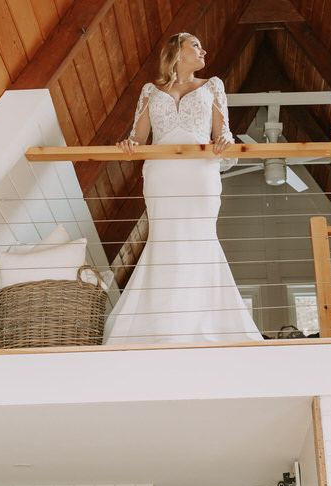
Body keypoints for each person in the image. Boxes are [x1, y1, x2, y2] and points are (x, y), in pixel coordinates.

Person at [102, 32, 263, 345]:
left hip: (198, 173)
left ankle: (205, 323)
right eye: (196, 45)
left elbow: (224, 133)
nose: (204, 50)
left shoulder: (212, 85)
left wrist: (226, 141)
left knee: (199, 237)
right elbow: (138, 137)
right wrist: (129, 143)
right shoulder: (151, 91)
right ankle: (158, 325)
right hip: (162, 175)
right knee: (164, 239)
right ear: (177, 51)